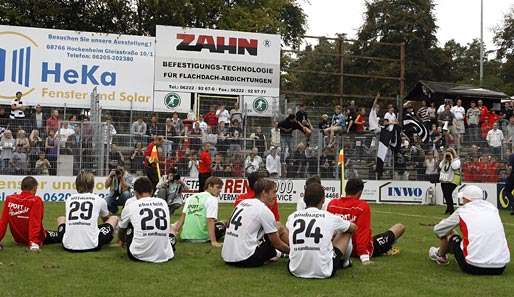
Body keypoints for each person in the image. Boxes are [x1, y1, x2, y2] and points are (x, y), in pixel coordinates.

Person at [429, 185, 510, 275]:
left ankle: (440, 255)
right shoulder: (493, 209)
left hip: (472, 266)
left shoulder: (463, 210)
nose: (462, 202)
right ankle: (442, 252)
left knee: (449, 232)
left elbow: (438, 230)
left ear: (467, 199)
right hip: (500, 267)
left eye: (463, 199)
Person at [327, 178, 405, 265]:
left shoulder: (332, 204)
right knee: (400, 227)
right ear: (360, 192)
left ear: (346, 189)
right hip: (356, 250)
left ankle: (387, 248)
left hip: (338, 248)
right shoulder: (362, 206)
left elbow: (328, 228)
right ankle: (387, 248)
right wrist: (364, 257)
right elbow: (362, 232)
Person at [287, 183, 356, 278]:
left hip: (295, 269)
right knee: (347, 230)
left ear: (304, 199)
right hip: (323, 271)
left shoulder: (292, 217)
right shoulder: (330, 217)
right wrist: (335, 232)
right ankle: (346, 262)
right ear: (323, 199)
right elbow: (353, 227)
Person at [222, 178, 290, 267]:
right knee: (279, 227)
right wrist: (293, 253)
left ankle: (277, 253)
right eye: (273, 192)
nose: (275, 196)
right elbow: (276, 243)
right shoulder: (263, 209)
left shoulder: (243, 202)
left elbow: (228, 224)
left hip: (227, 256)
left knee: (273, 228)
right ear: (264, 193)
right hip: (246, 259)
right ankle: (298, 250)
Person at [57, 171, 118, 252]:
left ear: (77, 185)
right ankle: (112, 239)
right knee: (114, 218)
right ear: (92, 185)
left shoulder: (69, 199)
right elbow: (106, 220)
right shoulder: (99, 199)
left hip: (67, 245)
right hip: (92, 245)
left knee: (61, 218)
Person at [118, 177, 175, 263]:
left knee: (128, 225)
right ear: (152, 191)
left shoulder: (131, 205)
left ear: (135, 193)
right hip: (164, 253)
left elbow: (121, 230)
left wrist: (122, 240)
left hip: (138, 255)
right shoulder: (163, 203)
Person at [0, 176, 62, 252]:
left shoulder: (10, 199)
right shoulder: (35, 200)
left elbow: (3, 222)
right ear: (34, 188)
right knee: (62, 234)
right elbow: (35, 222)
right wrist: (34, 243)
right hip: (37, 237)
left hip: (18, 239)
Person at [172, 176, 224, 247]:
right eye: (218, 187)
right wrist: (214, 241)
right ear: (210, 186)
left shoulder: (190, 198)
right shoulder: (212, 199)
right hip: (201, 237)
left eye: (221, 188)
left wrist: (174, 233)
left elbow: (182, 218)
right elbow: (210, 220)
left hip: (185, 237)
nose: (220, 190)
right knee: (224, 224)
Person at [439, 148, 461, 214]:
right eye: (447, 153)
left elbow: (454, 167)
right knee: (445, 194)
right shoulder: (445, 161)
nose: (448, 155)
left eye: (450, 153)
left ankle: (451, 209)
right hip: (444, 179)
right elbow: (440, 166)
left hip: (454, 180)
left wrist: (451, 159)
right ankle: (449, 208)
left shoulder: (457, 160)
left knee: (448, 193)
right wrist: (444, 159)